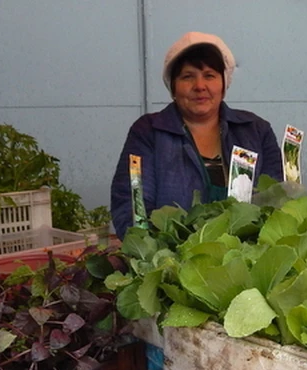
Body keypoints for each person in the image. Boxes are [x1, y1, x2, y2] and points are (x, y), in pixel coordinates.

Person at [110, 32, 283, 238]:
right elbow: (131, 205)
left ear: (223, 84)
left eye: (209, 75)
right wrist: (159, 253)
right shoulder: (148, 132)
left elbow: (275, 201)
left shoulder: (256, 130)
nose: (200, 86)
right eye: (187, 76)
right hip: (171, 260)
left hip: (244, 260)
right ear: (173, 87)